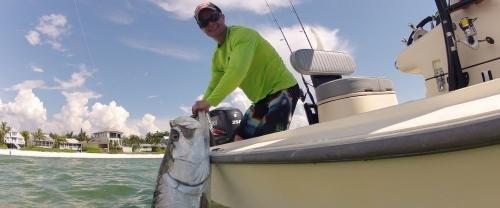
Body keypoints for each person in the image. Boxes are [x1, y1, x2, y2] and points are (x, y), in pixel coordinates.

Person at [191, 2, 300, 142]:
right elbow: (214, 84)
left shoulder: (242, 35)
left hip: (284, 90)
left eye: (213, 17)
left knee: (268, 140)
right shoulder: (217, 57)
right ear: (201, 28)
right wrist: (203, 104)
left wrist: (209, 102)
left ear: (222, 17)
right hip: (260, 100)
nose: (210, 23)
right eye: (204, 22)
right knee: (238, 139)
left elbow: (236, 72)